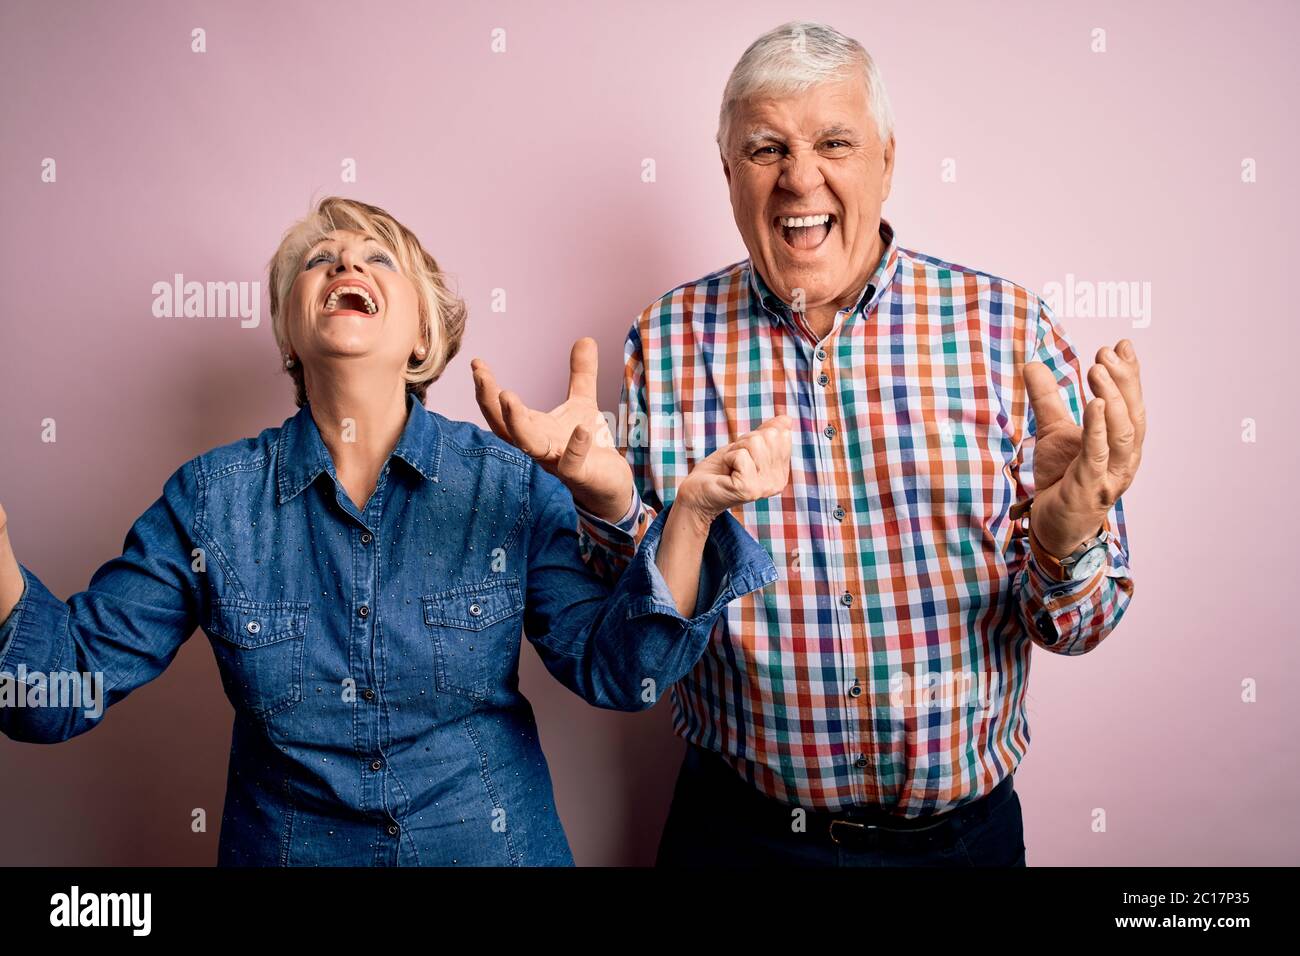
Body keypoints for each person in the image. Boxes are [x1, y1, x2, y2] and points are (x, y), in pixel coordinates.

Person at [473, 21, 1146, 867]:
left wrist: (1065, 534)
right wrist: (610, 505)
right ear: (727, 172)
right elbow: (640, 640)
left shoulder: (1006, 329)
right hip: (739, 836)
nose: (800, 177)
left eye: (834, 142)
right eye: (765, 149)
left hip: (959, 846)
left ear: (887, 162)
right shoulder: (667, 337)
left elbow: (1082, 626)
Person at [0, 196, 793, 866]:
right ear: (287, 333)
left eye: (377, 259)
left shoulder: (506, 481)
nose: (345, 267)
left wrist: (685, 515)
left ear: (423, 337)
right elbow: (52, 694)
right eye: (319, 261)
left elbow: (623, 676)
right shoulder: (209, 502)